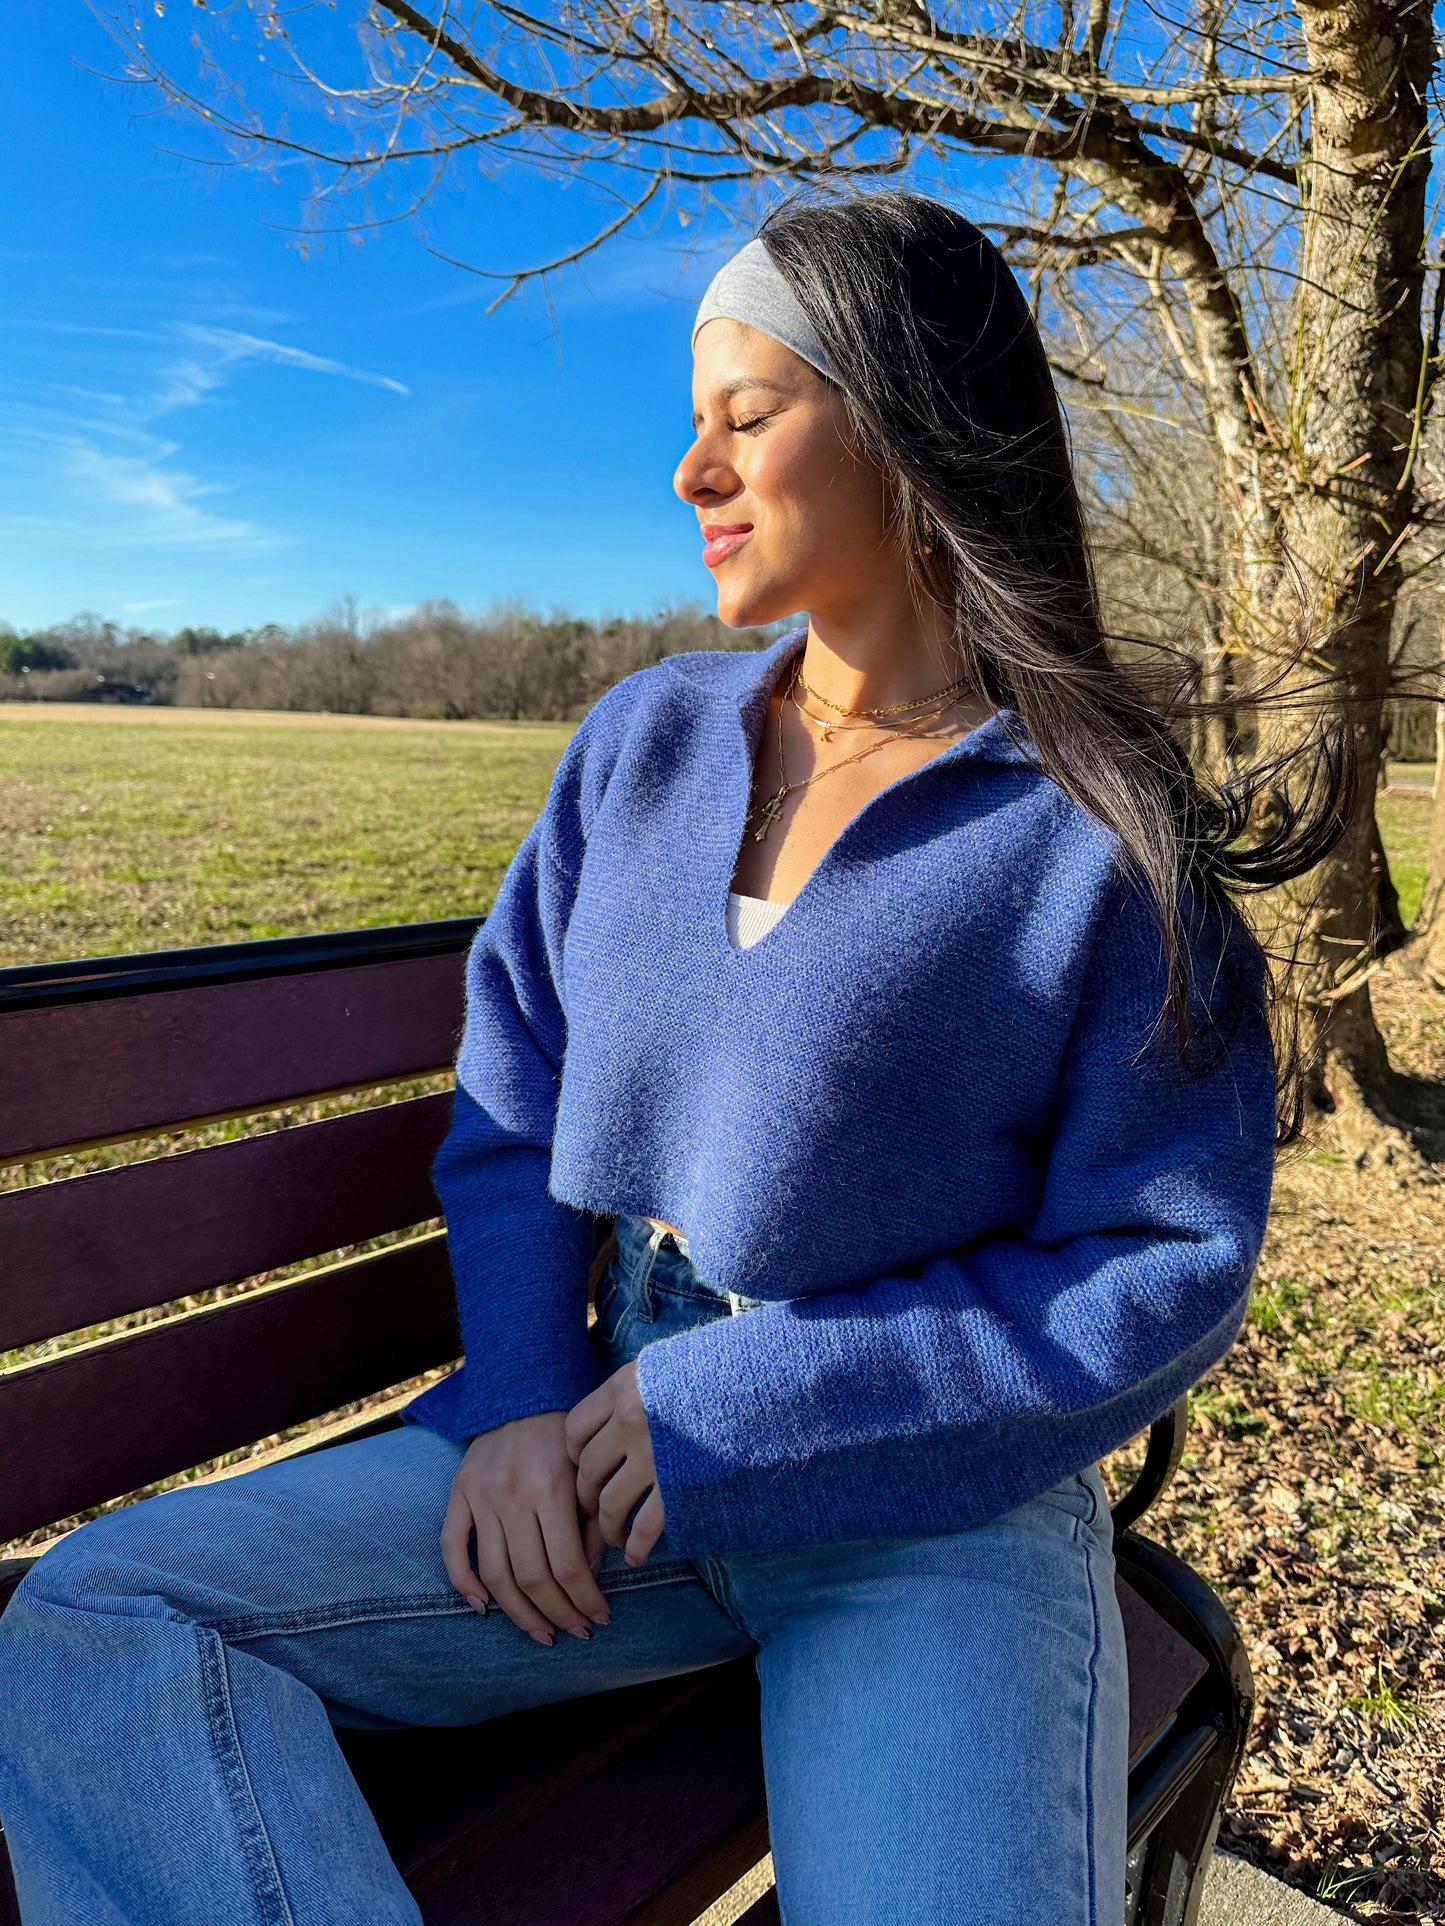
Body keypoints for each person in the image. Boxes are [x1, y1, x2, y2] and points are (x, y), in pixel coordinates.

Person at [0, 191, 1338, 1926]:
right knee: (103, 1618)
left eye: (746, 415)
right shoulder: (639, 744)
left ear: (911, 420)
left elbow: (1157, 1263)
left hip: (928, 1522)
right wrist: (514, 1402)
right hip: (592, 1484)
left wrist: (754, 1404)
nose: (692, 471)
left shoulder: (1093, 831)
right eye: (691, 423)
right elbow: (510, 1110)